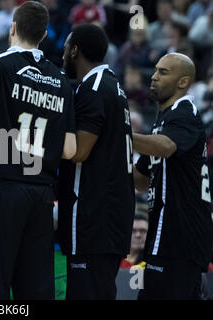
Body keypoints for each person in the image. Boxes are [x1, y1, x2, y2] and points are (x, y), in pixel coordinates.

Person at [0, 1, 76, 300]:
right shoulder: (61, 80)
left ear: (12, 28)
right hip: (41, 195)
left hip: (0, 187)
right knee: (35, 288)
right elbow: (70, 149)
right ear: (44, 34)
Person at [57, 24, 135, 300]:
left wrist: (30, 141)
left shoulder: (94, 88)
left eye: (66, 48)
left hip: (93, 220)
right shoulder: (111, 85)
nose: (63, 54)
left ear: (75, 50)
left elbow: (78, 152)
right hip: (108, 218)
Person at [133, 53, 213, 300]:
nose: (154, 76)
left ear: (183, 82)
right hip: (168, 237)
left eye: (164, 72)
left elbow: (165, 147)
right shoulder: (163, 123)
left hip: (179, 238)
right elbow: (142, 179)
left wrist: (118, 133)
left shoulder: (184, 111)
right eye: (155, 70)